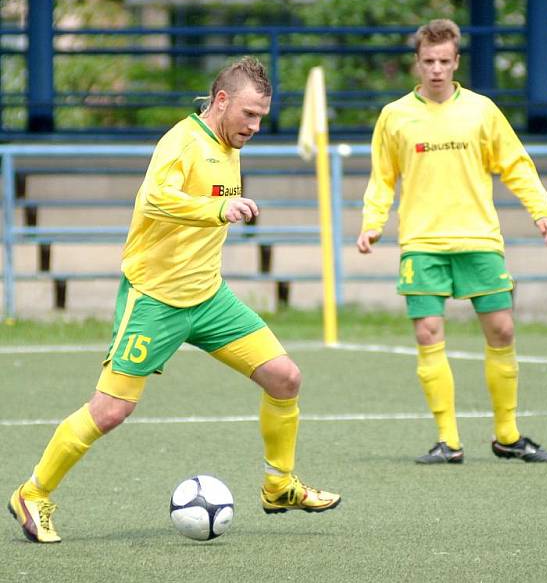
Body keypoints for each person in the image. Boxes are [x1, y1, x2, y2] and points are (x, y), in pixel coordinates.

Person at [8, 56, 340, 544]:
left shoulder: (229, 143)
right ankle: (33, 493)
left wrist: (220, 209)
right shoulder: (182, 141)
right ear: (221, 101)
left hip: (209, 297)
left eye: (262, 117)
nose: (255, 126)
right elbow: (154, 199)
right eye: (249, 114)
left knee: (285, 377)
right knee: (110, 411)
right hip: (156, 300)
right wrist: (219, 208)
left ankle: (278, 485)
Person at [357, 19, 547, 465]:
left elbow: (516, 165)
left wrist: (540, 209)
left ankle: (507, 435)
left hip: (478, 239)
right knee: (429, 334)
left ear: (456, 61)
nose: (436, 70)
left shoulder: (482, 110)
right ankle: (448, 440)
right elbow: (382, 177)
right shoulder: (394, 116)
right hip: (422, 243)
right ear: (417, 61)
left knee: (502, 330)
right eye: (428, 61)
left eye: (444, 61)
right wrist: (373, 222)